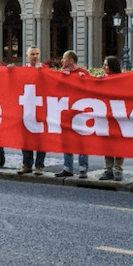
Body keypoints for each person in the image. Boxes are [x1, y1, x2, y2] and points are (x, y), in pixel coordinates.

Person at [56, 50, 89, 178]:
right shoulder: (62, 74)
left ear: (70, 61)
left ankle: (83, 168)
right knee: (66, 141)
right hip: (65, 112)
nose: (62, 61)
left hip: (80, 114)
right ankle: (67, 168)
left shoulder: (83, 73)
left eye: (64, 59)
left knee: (81, 141)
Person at [17, 46, 49, 175]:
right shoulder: (22, 70)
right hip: (26, 109)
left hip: (40, 108)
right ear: (26, 56)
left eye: (37, 54)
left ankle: (39, 166)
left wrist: (41, 73)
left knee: (40, 139)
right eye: (32, 54)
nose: (35, 56)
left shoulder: (44, 69)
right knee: (26, 139)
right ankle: (27, 164)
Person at [98, 55, 125, 181]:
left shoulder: (122, 80)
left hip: (118, 117)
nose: (103, 67)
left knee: (118, 144)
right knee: (107, 144)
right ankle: (108, 169)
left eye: (106, 65)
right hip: (105, 116)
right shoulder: (101, 79)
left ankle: (118, 170)